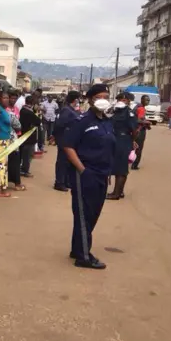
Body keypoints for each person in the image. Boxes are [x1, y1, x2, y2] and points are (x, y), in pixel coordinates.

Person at [63, 84, 116, 269]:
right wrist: (82, 170)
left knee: (93, 214)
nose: (102, 99)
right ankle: (83, 256)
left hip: (103, 174)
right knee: (84, 214)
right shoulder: (82, 121)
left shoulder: (107, 121)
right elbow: (68, 146)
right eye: (98, 96)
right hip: (86, 173)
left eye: (106, 96)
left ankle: (77, 248)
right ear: (90, 99)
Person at [107, 92, 138, 200]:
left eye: (124, 100)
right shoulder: (114, 111)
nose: (121, 102)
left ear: (128, 101)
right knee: (117, 167)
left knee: (121, 169)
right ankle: (119, 191)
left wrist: (131, 141)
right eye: (120, 100)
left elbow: (134, 131)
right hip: (115, 140)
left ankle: (116, 193)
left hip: (123, 140)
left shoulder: (129, 113)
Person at [53, 90, 81, 192]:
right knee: (62, 162)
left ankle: (66, 181)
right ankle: (59, 182)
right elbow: (60, 125)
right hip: (64, 140)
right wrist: (56, 137)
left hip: (70, 140)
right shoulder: (66, 110)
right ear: (75, 100)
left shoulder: (72, 110)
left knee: (68, 162)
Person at [6, 90, 25, 191]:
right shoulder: (6, 110)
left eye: (15, 98)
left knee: (15, 160)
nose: (13, 100)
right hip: (6, 137)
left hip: (15, 137)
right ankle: (14, 183)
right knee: (8, 160)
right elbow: (16, 124)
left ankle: (16, 182)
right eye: (11, 98)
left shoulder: (17, 109)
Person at [19, 95, 41, 177]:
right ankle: (25, 170)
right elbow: (38, 121)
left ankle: (23, 169)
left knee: (26, 154)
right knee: (28, 155)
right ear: (32, 103)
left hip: (25, 136)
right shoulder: (28, 112)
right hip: (28, 137)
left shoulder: (23, 110)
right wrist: (35, 112)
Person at [131, 95, 151, 170]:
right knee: (139, 148)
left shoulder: (136, 107)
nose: (147, 102)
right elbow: (139, 120)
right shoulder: (141, 108)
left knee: (133, 147)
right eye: (146, 100)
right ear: (142, 100)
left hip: (133, 130)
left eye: (148, 100)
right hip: (139, 131)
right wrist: (147, 122)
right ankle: (135, 165)